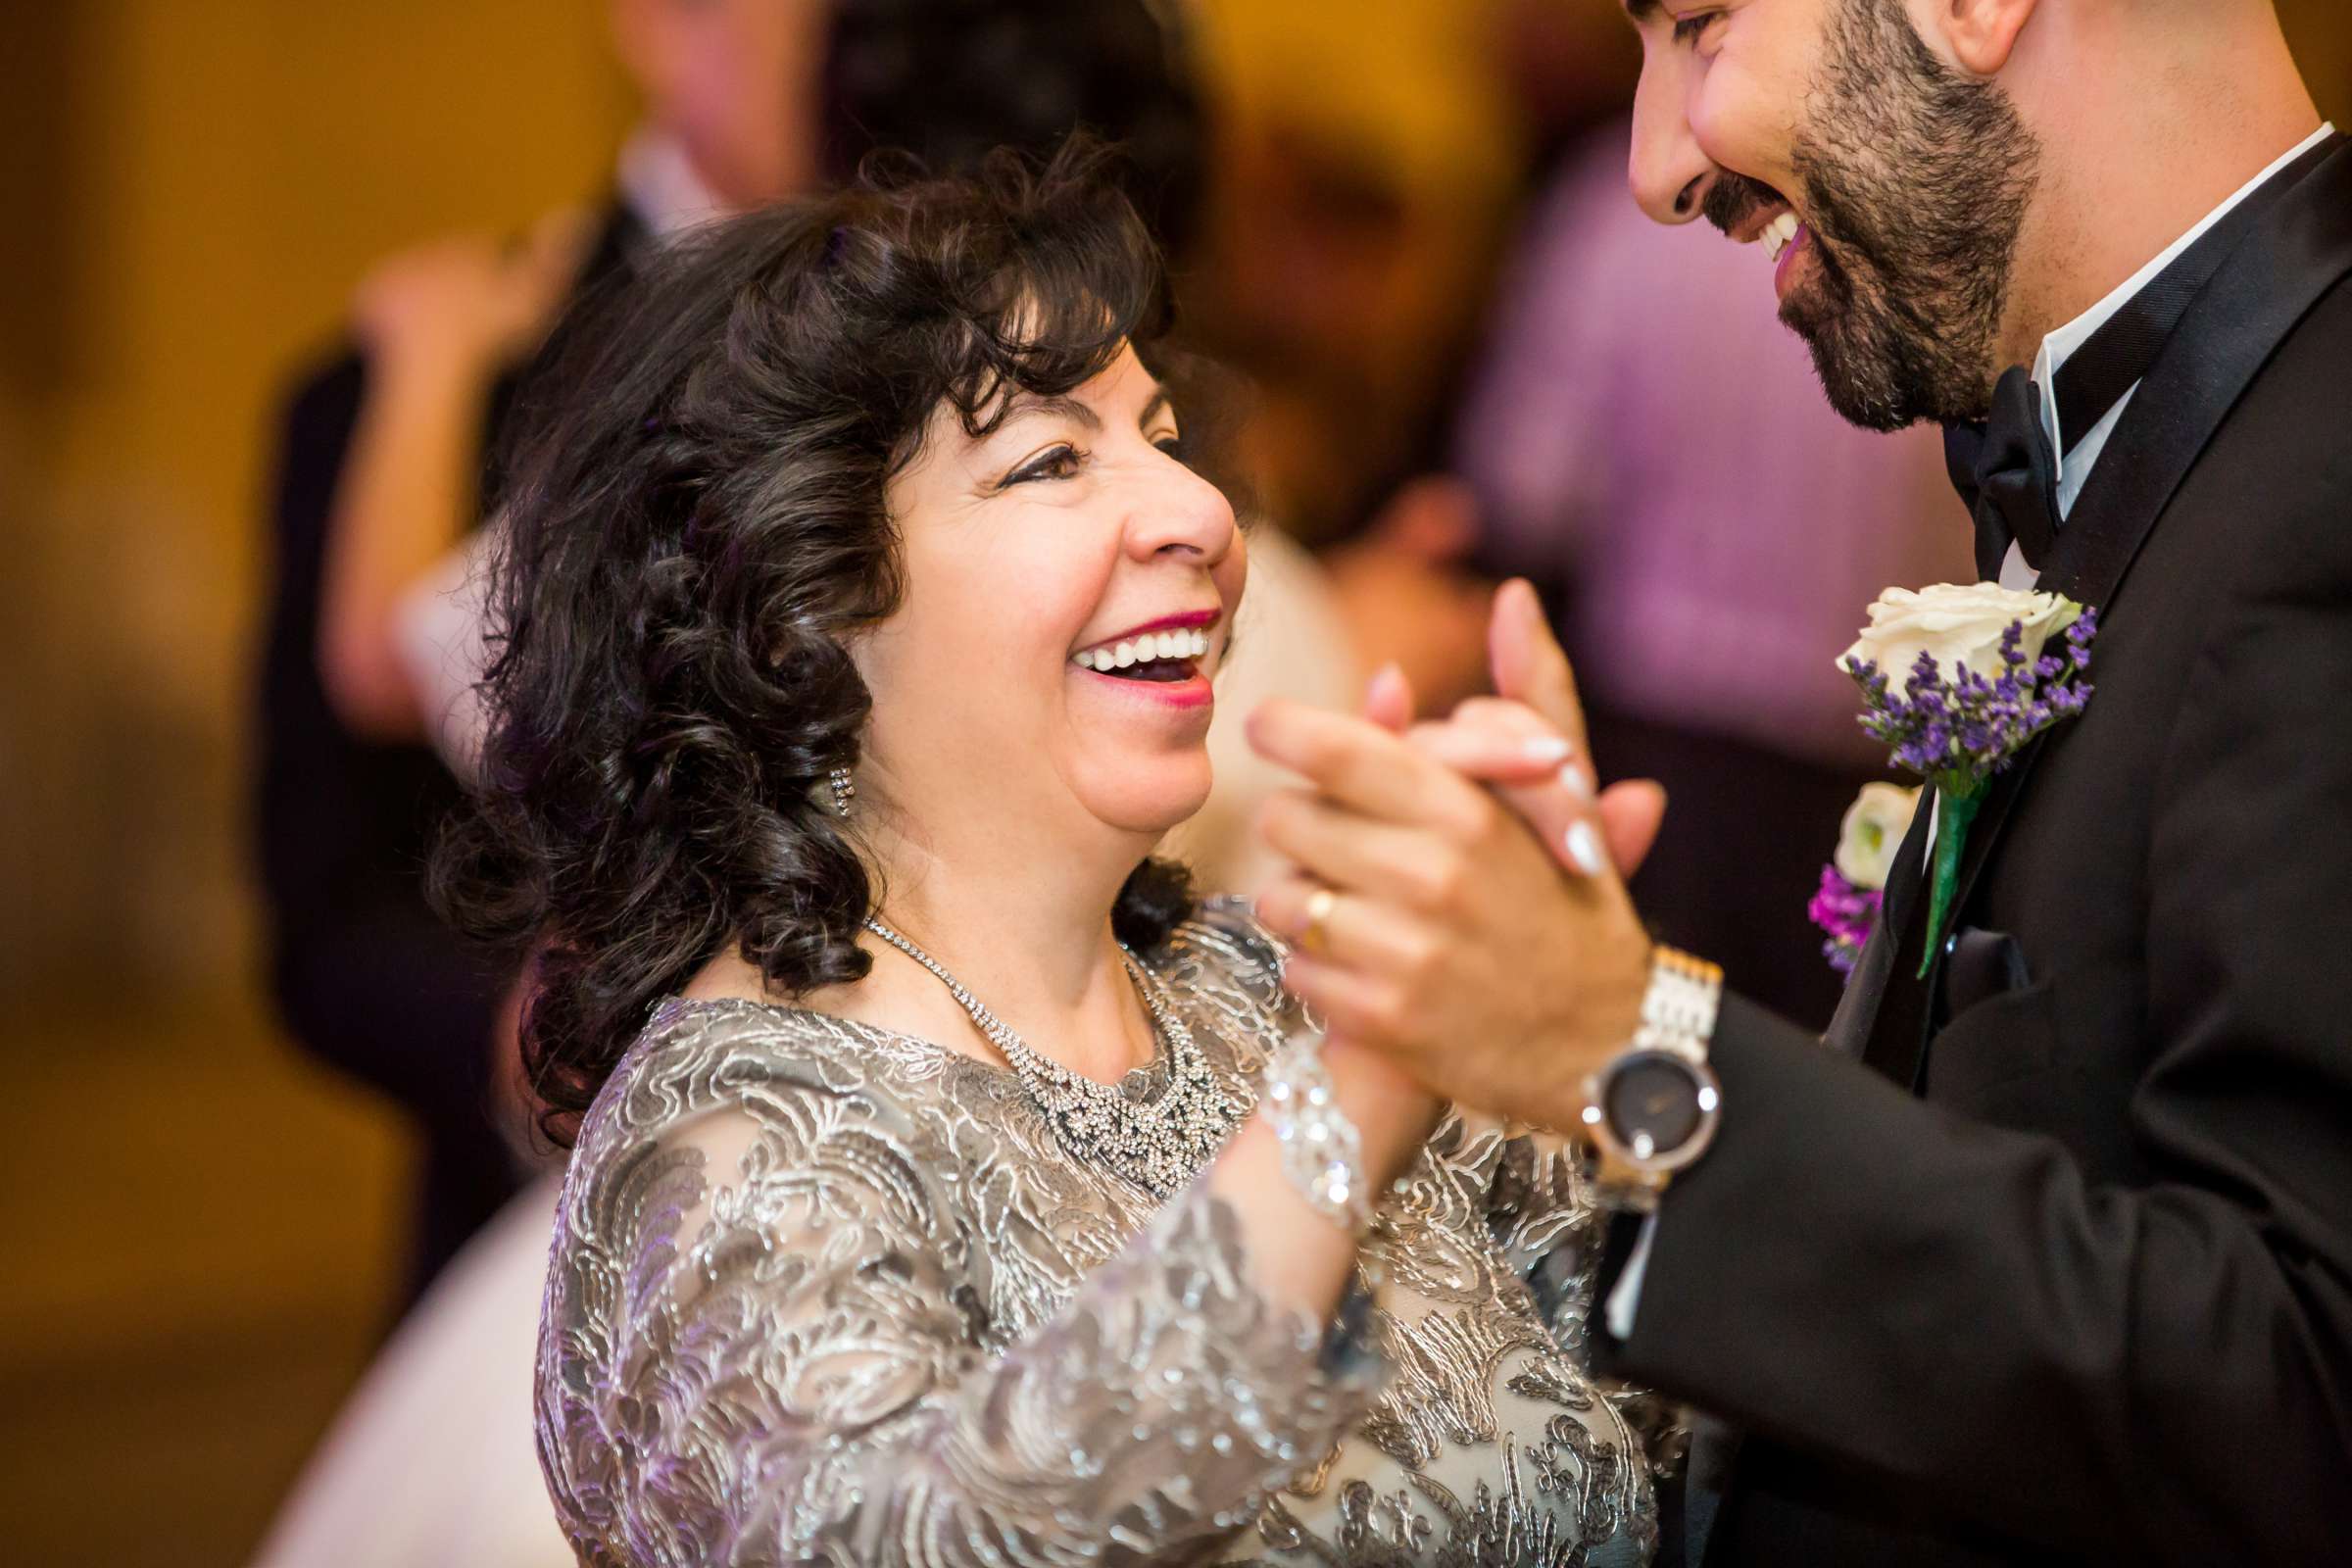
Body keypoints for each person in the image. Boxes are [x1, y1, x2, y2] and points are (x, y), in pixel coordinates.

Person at [435, 146, 1666, 1565]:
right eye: (1052, 460)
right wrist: (1365, 1085)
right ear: (801, 609)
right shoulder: (729, 1141)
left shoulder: (1267, 989)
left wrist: (1609, 1009)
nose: (1203, 513)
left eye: (1160, 435)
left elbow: (1711, 1410)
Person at [1247, 0, 2352, 1562]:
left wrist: (1625, 1049)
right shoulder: (2147, 455)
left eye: (1697, 23)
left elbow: (2302, 1399)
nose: (1650, 169)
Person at [254, 0, 828, 1301]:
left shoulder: (993, 374)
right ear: (665, 24)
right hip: (549, 1263)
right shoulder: (424, 380)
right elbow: (331, 902)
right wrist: (552, 1035)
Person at [1454, 116, 1970, 1030]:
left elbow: (1529, 485)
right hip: (1870, 776)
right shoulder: (1932, 220)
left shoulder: (1617, 212)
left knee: (1636, 1074)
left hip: (1666, 762)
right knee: (1823, 1088)